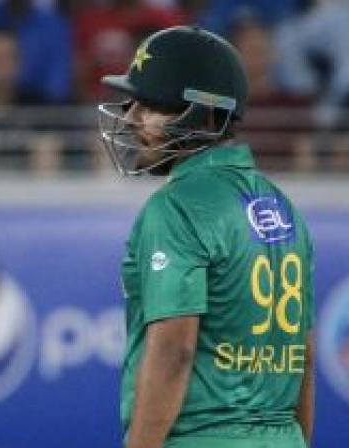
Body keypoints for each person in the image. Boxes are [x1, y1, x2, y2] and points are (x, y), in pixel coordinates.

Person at [97, 26, 314, 448]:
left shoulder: (175, 208)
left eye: (151, 106)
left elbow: (174, 351)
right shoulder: (283, 208)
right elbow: (303, 358)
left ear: (209, 115)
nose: (130, 118)